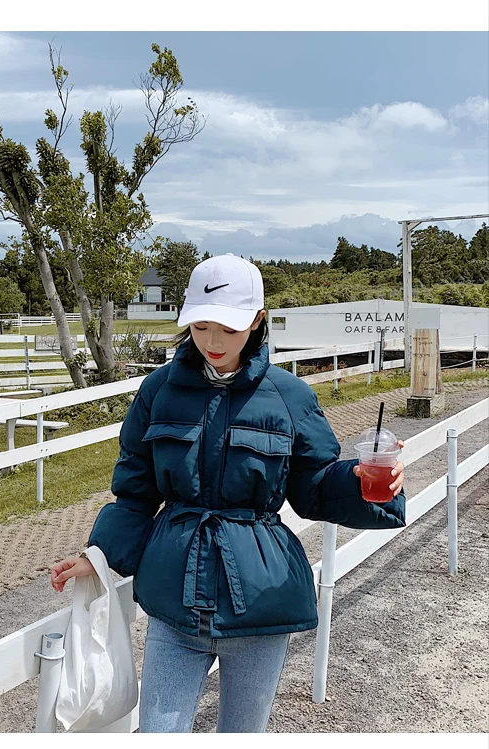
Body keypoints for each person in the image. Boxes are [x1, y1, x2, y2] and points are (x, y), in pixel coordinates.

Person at [50, 254, 406, 733]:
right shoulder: (158, 392)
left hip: (260, 600)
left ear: (257, 321)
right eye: (200, 327)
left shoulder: (289, 396)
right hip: (174, 599)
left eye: (229, 329)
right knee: (157, 735)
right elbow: (134, 491)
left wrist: (364, 483)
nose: (213, 342)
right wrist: (98, 557)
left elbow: (315, 485)